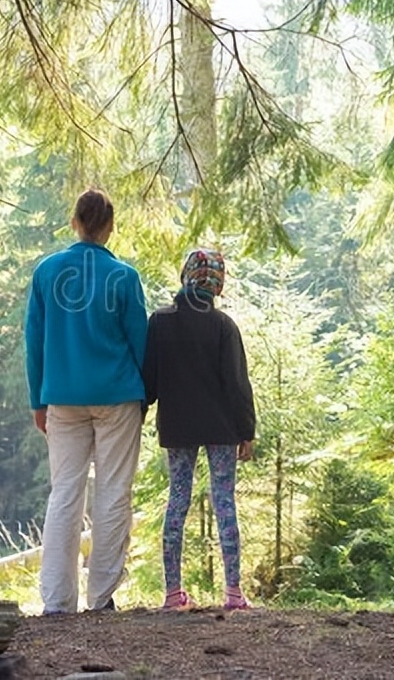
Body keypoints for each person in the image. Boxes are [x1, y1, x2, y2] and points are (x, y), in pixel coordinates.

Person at [24, 187, 148, 614]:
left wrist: (38, 399)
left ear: (74, 221)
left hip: (61, 397)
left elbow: (34, 341)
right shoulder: (125, 277)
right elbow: (141, 343)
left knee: (65, 493)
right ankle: (102, 597)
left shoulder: (46, 272)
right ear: (110, 226)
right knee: (114, 493)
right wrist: (146, 396)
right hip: (118, 397)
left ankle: (57, 601)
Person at [142, 248, 257, 611]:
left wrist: (140, 411)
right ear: (217, 284)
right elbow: (237, 385)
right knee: (224, 502)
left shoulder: (159, 322)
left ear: (185, 277)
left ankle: (173, 594)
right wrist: (246, 430)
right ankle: (234, 593)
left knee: (178, 501)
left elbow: (150, 381)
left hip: (177, 426)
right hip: (222, 428)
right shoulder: (224, 327)